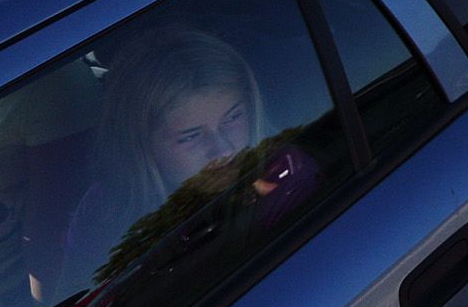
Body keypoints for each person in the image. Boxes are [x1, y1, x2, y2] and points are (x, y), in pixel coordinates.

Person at [59, 26, 315, 285]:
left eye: (233, 118)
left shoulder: (285, 177)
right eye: (191, 136)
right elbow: (77, 295)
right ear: (141, 146)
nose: (223, 149)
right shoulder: (105, 211)